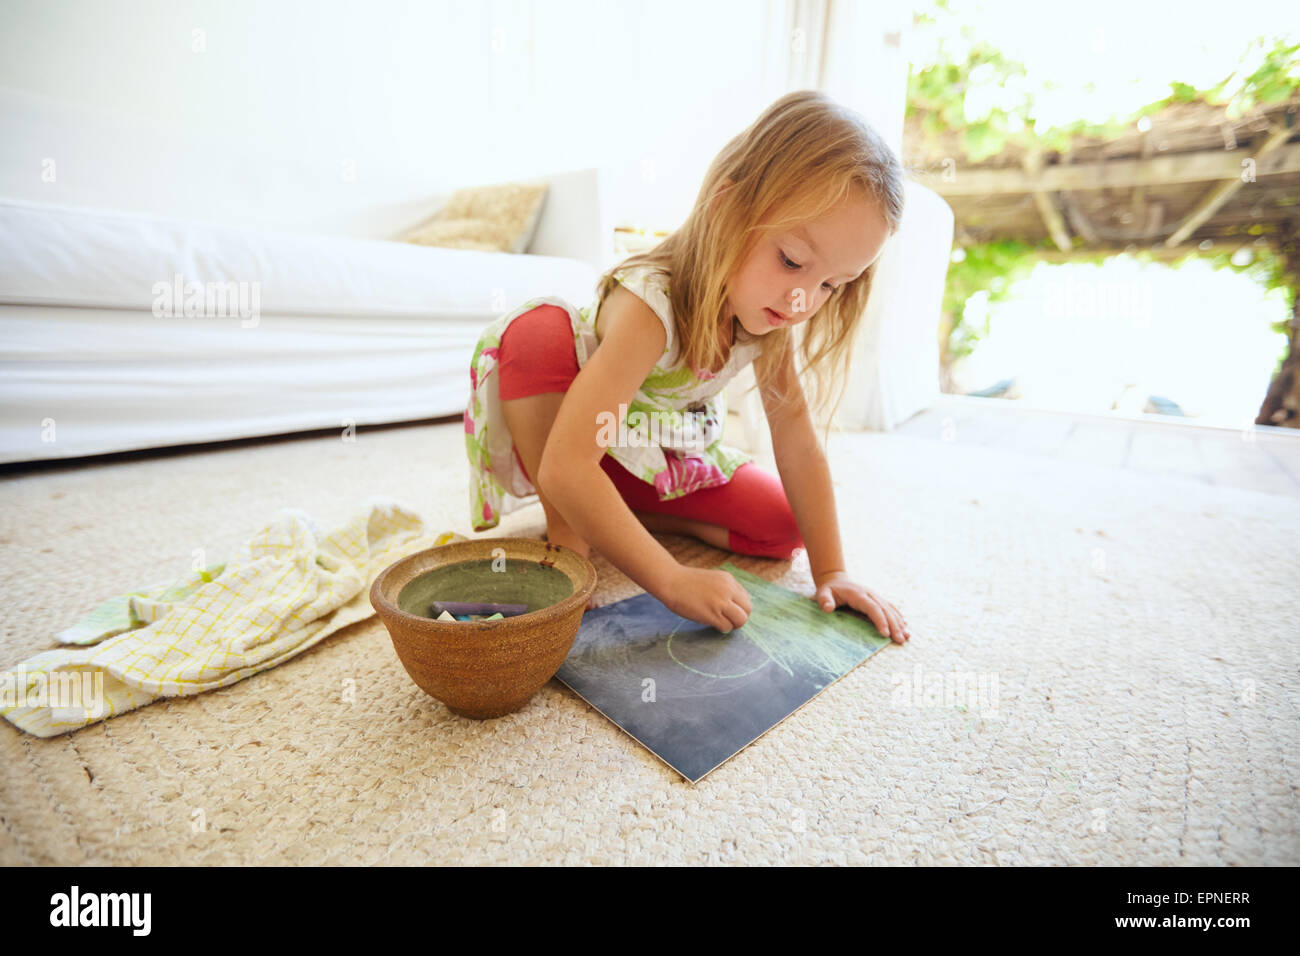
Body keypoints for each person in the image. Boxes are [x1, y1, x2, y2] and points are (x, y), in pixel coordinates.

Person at [464, 90, 912, 643]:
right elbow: (565, 464)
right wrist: (671, 577)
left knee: (784, 526)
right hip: (573, 441)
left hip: (657, 451)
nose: (803, 300)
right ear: (726, 206)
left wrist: (833, 570)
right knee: (535, 333)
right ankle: (570, 533)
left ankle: (616, 512)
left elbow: (795, 437)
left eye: (829, 285)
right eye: (793, 261)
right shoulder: (650, 304)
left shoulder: (772, 315)